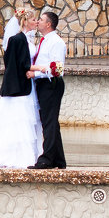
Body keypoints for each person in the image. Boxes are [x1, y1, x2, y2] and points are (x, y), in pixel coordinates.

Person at [0, 8, 44, 168]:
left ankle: (29, 156)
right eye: (33, 19)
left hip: (27, 86)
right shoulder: (17, 39)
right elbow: (22, 64)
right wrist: (43, 68)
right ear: (25, 21)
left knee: (27, 122)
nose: (36, 22)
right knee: (19, 121)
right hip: (19, 89)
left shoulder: (26, 39)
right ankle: (17, 159)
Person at [26, 11, 67, 169]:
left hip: (51, 84)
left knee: (49, 122)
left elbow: (57, 69)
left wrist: (34, 72)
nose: (38, 22)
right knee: (51, 122)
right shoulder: (44, 40)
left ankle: (46, 159)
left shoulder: (56, 42)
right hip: (43, 84)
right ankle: (59, 160)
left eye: (41, 20)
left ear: (48, 24)